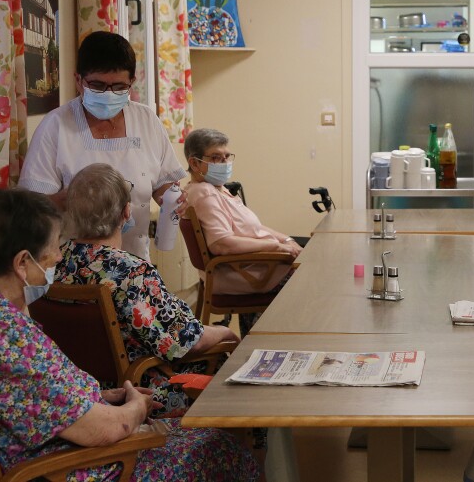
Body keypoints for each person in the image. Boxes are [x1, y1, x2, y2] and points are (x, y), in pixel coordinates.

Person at [0, 188, 257, 480]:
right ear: (22, 263)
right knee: (219, 445)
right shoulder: (9, 338)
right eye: (51, 251)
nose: (58, 256)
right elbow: (104, 429)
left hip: (55, 442)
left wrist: (98, 396)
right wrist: (136, 409)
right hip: (67, 468)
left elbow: (23, 399)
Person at [55, 163, 240, 418]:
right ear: (126, 211)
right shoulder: (132, 273)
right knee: (233, 372)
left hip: (83, 392)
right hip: (141, 390)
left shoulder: (55, 263)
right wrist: (226, 332)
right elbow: (185, 341)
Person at [19, 31, 186, 262]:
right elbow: (31, 205)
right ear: (79, 80)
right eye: (97, 85)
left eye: (119, 87)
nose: (108, 94)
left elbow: (163, 185)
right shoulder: (55, 126)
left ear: (131, 83)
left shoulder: (146, 120)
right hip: (71, 265)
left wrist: (174, 199)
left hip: (133, 261)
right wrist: (76, 198)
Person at [182, 128, 301, 327]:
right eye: (216, 157)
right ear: (194, 163)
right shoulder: (205, 193)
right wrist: (277, 247)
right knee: (311, 275)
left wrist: (287, 240)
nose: (224, 163)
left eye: (227, 157)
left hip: (251, 265)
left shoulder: (218, 189)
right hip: (242, 271)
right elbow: (222, 243)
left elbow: (254, 228)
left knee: (308, 258)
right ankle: (269, 338)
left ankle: (260, 334)